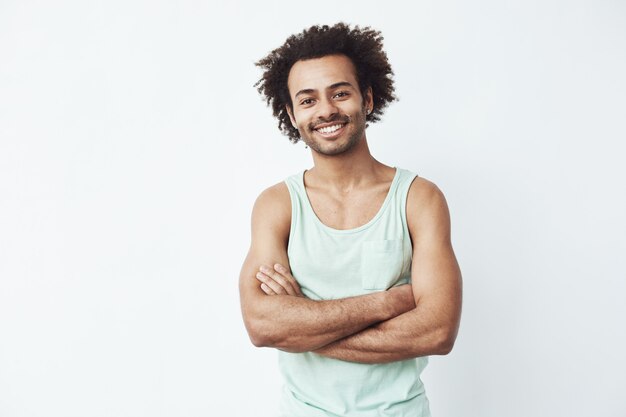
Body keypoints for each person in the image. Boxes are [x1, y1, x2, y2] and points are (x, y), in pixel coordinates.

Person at [239, 23, 462, 417]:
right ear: (291, 114)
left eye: (340, 93)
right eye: (307, 101)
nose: (326, 110)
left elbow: (437, 331)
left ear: (368, 99)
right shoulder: (277, 205)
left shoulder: (418, 199)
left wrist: (302, 327)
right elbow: (262, 325)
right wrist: (388, 302)